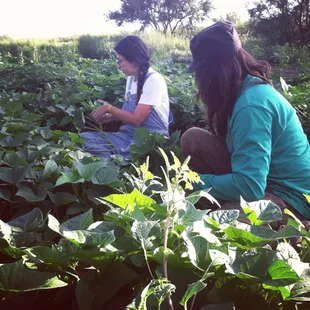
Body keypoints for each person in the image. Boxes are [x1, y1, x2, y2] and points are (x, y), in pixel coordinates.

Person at [181, 21, 310, 222]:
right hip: (262, 179)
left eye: (201, 72)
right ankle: (223, 202)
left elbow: (251, 186)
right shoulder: (242, 90)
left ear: (216, 71)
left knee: (215, 224)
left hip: (291, 197)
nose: (199, 80)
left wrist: (194, 182)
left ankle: (296, 228)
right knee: (193, 138)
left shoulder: (252, 105)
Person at [80, 35, 171, 159]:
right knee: (85, 139)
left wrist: (109, 108)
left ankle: (112, 162)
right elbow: (130, 114)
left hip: (148, 140)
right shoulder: (131, 79)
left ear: (134, 61)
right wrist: (111, 118)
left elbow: (136, 119)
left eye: (120, 61)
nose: (118, 66)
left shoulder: (153, 80)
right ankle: (112, 160)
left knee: (121, 156)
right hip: (128, 135)